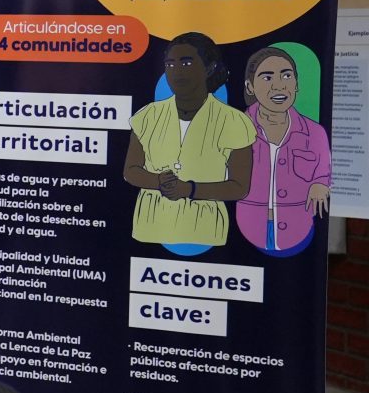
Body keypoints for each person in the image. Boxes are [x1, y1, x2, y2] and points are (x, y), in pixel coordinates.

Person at [121, 32, 253, 249]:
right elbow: (131, 170)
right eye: (170, 65)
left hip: (204, 234)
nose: (177, 72)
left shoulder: (234, 121)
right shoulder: (147, 116)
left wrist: (189, 190)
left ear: (209, 68)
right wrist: (158, 182)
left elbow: (239, 187)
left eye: (187, 62)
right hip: (151, 229)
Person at [238, 44, 332, 254]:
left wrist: (320, 184)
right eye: (267, 77)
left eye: (286, 76)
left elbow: (324, 171)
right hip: (248, 227)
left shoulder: (315, 133)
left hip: (299, 227)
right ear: (250, 86)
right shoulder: (236, 129)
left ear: (297, 84)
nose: (279, 86)